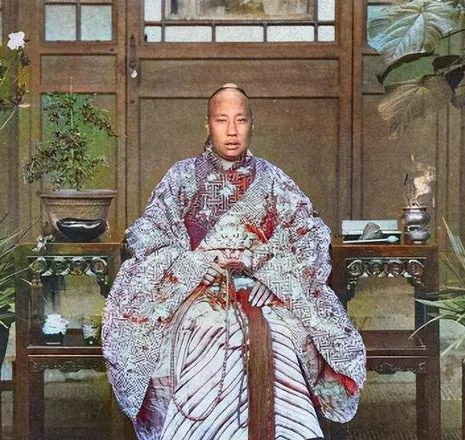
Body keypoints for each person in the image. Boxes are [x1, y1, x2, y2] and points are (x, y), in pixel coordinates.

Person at [102, 84, 366, 440]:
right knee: (208, 333)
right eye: (221, 120)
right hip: (197, 293)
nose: (231, 130)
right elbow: (145, 238)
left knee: (281, 336)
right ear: (207, 124)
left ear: (251, 124)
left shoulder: (273, 180)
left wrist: (274, 280)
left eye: (240, 120)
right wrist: (193, 266)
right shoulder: (182, 176)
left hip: (264, 293)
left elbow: (311, 237)